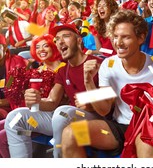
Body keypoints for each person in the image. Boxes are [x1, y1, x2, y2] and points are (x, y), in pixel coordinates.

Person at [60, 10, 153, 158]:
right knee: (70, 134)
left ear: (141, 38)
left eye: (126, 37)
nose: (119, 43)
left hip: (147, 128)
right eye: (115, 37)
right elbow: (104, 110)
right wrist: (88, 82)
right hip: (118, 129)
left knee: (145, 148)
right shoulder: (108, 64)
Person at [4, 24, 102, 158]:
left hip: (94, 122)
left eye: (66, 36)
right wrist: (36, 101)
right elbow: (52, 101)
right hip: (65, 119)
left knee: (62, 113)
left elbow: (114, 95)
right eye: (57, 39)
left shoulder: (97, 63)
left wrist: (90, 100)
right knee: (15, 118)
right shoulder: (62, 71)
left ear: (79, 40)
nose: (60, 41)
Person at [0, 34, 65, 158]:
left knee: (3, 137)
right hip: (32, 112)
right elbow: (18, 92)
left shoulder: (62, 69)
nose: (41, 50)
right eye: (38, 47)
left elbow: (53, 102)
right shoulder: (40, 69)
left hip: (44, 119)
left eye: (45, 46)